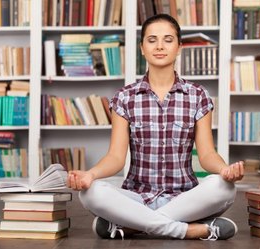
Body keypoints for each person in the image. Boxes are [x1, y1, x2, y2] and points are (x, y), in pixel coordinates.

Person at [67, 13, 244, 241]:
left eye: (168, 40)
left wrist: (224, 170)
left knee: (225, 188)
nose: (160, 46)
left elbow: (207, 153)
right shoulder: (124, 97)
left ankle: (131, 225)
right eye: (152, 40)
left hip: (184, 198)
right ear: (142, 48)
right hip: (136, 197)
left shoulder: (197, 95)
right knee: (90, 193)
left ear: (179, 46)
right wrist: (89, 175)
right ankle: (189, 229)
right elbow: (115, 157)